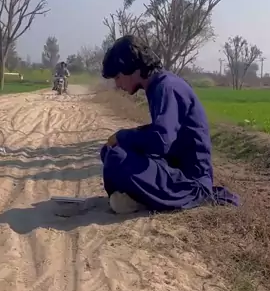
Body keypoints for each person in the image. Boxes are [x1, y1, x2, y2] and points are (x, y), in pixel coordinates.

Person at [100, 36, 239, 214]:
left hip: (190, 182)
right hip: (172, 168)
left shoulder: (167, 87)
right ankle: (140, 197)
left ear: (132, 68)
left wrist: (122, 136)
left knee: (116, 157)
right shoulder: (158, 85)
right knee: (109, 151)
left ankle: (146, 199)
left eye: (118, 77)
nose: (118, 84)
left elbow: (160, 140)